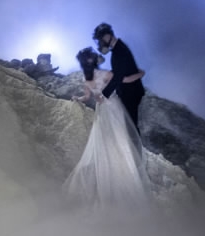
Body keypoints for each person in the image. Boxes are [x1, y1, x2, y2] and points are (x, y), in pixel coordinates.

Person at [64, 47, 149, 208]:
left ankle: (109, 178)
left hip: (102, 112)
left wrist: (77, 98)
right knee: (119, 140)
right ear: (95, 61)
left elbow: (87, 97)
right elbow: (127, 80)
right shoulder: (106, 74)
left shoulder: (86, 80)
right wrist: (140, 73)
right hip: (114, 109)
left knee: (105, 143)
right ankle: (126, 176)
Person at [92, 23, 145, 134]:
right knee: (129, 124)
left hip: (131, 93)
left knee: (131, 126)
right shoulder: (119, 49)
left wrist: (104, 95)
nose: (100, 44)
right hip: (130, 92)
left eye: (100, 40)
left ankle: (135, 150)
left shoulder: (119, 51)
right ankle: (133, 148)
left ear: (107, 37)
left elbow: (118, 77)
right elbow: (120, 72)